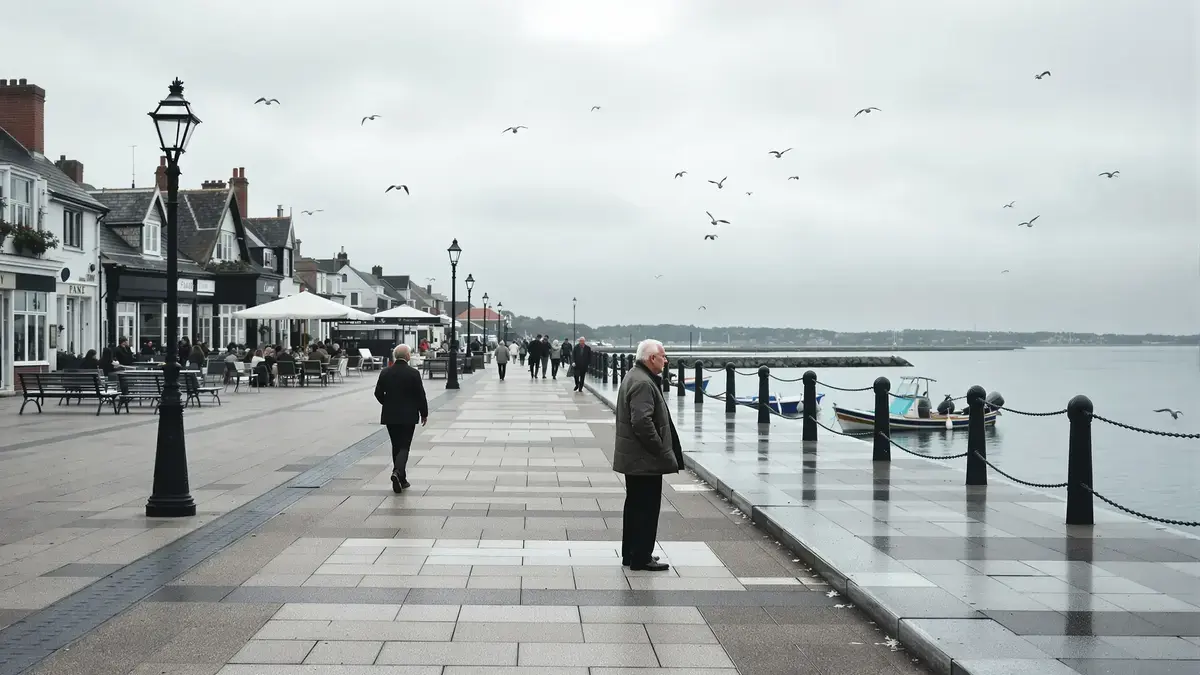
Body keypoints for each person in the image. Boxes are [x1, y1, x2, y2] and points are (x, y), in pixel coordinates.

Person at [613, 339, 681, 571]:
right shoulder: (643, 382)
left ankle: (631, 554)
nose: (666, 360)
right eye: (663, 356)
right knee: (646, 507)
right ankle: (641, 556)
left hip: (636, 457)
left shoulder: (636, 376)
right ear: (652, 358)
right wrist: (660, 449)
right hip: (644, 458)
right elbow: (641, 421)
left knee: (635, 505)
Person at [374, 344, 429, 493]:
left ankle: (402, 479)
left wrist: (387, 403)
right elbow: (420, 395)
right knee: (405, 446)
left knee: (395, 445)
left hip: (390, 415)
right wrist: (424, 412)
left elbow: (378, 393)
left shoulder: (385, 372)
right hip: (408, 415)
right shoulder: (413, 373)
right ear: (407, 356)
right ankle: (397, 472)